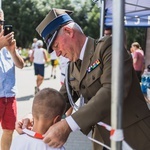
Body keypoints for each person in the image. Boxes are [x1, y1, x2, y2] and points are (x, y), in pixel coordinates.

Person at [16, 8, 150, 150]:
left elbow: (113, 91)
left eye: (56, 46)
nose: (58, 53)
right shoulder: (71, 67)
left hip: (132, 136)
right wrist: (34, 117)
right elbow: (60, 99)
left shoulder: (108, 47)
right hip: (103, 140)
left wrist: (68, 125)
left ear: (69, 31)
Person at [0, 9, 24, 150]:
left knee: (9, 130)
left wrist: (13, 51)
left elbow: (21, 65)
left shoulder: (7, 42)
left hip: (9, 95)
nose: (0, 25)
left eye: (1, 22)